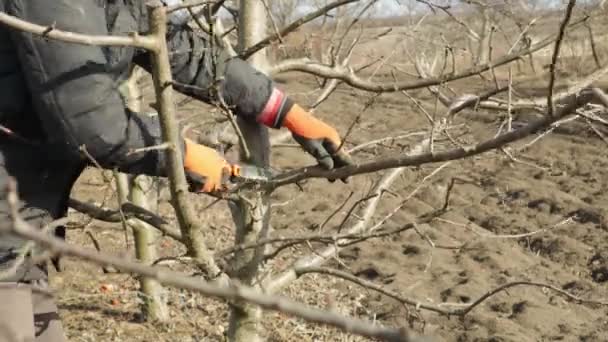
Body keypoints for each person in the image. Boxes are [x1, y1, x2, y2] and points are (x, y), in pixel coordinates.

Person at [0, 1, 353, 341]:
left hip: (24, 228)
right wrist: (180, 154)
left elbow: (176, 44)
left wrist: (282, 108)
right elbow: (92, 124)